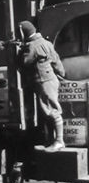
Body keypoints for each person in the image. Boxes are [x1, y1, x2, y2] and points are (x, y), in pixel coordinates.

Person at [16, 20, 64, 150]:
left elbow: (24, 62)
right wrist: (62, 74)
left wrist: (20, 50)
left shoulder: (32, 46)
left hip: (44, 82)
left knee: (52, 111)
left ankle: (59, 141)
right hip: (50, 80)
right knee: (47, 111)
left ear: (23, 32)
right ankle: (51, 141)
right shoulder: (46, 43)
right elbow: (57, 62)